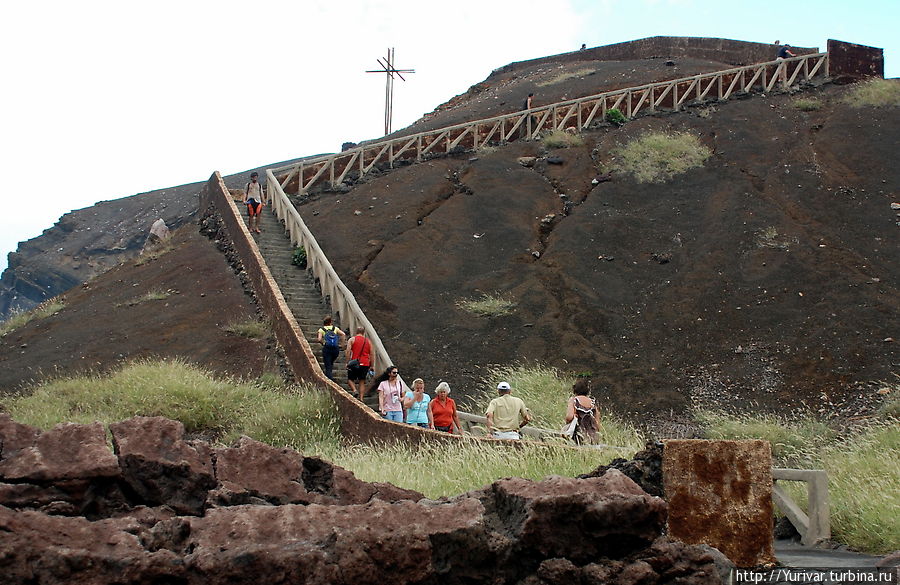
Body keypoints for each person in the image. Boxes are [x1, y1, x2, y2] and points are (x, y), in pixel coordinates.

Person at [565, 379, 601, 445]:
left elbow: (569, 417)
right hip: (591, 435)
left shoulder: (574, 400)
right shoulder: (592, 402)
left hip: (578, 434)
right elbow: (597, 423)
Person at [346, 327, 373, 400]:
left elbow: (348, 351)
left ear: (356, 331)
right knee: (362, 381)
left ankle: (354, 390)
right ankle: (361, 398)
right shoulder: (368, 341)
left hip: (354, 363)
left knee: (350, 379)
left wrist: (347, 362)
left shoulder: (352, 339)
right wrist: (372, 365)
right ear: (363, 333)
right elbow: (372, 354)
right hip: (365, 363)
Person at [316, 316, 345, 382]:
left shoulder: (321, 330)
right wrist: (342, 344)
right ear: (330, 322)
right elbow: (343, 334)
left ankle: (329, 379)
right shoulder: (335, 328)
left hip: (327, 349)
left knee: (328, 365)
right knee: (331, 363)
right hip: (335, 349)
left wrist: (323, 343)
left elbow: (319, 339)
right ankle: (330, 376)